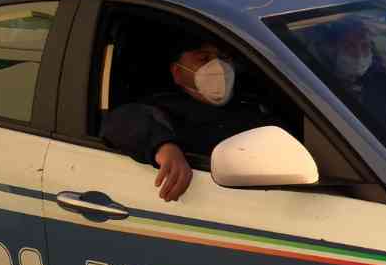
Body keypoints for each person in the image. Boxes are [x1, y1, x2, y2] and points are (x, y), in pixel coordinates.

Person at [101, 36, 282, 201]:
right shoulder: (163, 109)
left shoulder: (253, 104)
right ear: (178, 73)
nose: (218, 67)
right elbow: (120, 121)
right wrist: (165, 147)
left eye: (224, 58)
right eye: (203, 59)